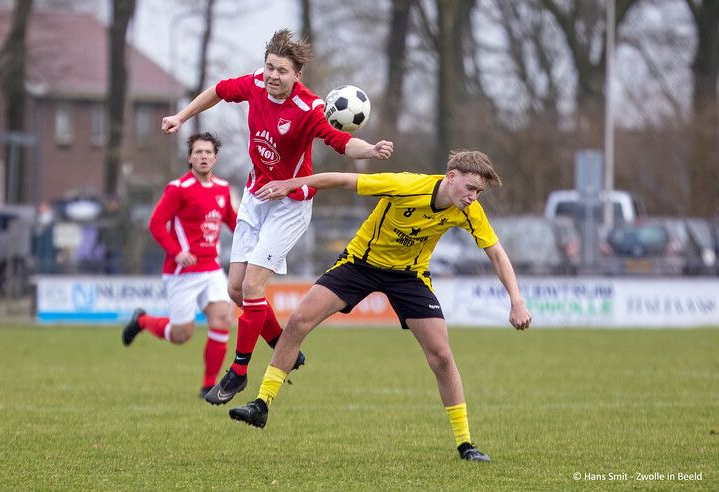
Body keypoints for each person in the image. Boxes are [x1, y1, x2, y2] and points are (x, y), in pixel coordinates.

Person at [228, 150, 532, 462]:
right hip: (360, 264)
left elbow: (496, 253)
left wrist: (517, 301)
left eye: (478, 192)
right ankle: (261, 404)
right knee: (299, 320)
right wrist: (290, 184)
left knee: (442, 356)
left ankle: (466, 445)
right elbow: (343, 180)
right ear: (451, 177)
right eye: (470, 188)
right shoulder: (403, 185)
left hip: (409, 277)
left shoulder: (469, 211)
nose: (473, 197)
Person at [161, 29, 394, 405]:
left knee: (252, 289)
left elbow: (338, 140)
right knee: (236, 289)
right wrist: (182, 116)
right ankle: (282, 344)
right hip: (256, 196)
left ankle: (238, 373)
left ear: (296, 75)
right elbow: (219, 90)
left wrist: (370, 148)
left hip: (290, 204)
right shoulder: (254, 83)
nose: (272, 75)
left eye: (281, 71)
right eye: (269, 66)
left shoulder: (310, 108)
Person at [121, 133, 252, 397]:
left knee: (222, 320)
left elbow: (233, 222)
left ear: (215, 158)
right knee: (182, 334)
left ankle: (208, 385)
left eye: (208, 152)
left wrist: (255, 237)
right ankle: (143, 320)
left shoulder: (222, 189)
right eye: (198, 152)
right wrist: (177, 252)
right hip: (182, 273)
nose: (203, 156)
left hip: (211, 269)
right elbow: (156, 224)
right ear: (190, 158)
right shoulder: (178, 189)